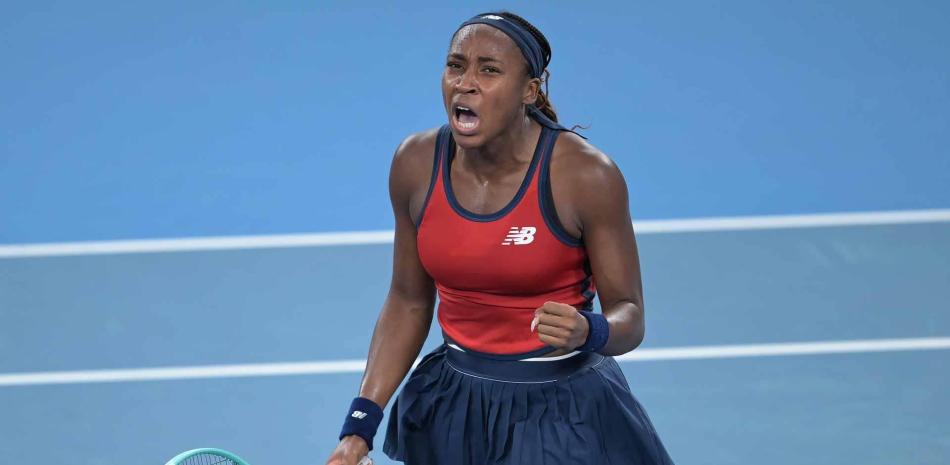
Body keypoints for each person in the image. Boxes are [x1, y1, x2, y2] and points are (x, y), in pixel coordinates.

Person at [325, 11, 674, 465]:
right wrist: (358, 430)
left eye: (489, 70)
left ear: (530, 91)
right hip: (453, 404)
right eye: (456, 65)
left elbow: (631, 315)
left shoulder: (585, 176)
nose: (465, 83)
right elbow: (408, 299)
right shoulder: (415, 163)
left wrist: (592, 330)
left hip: (562, 412)